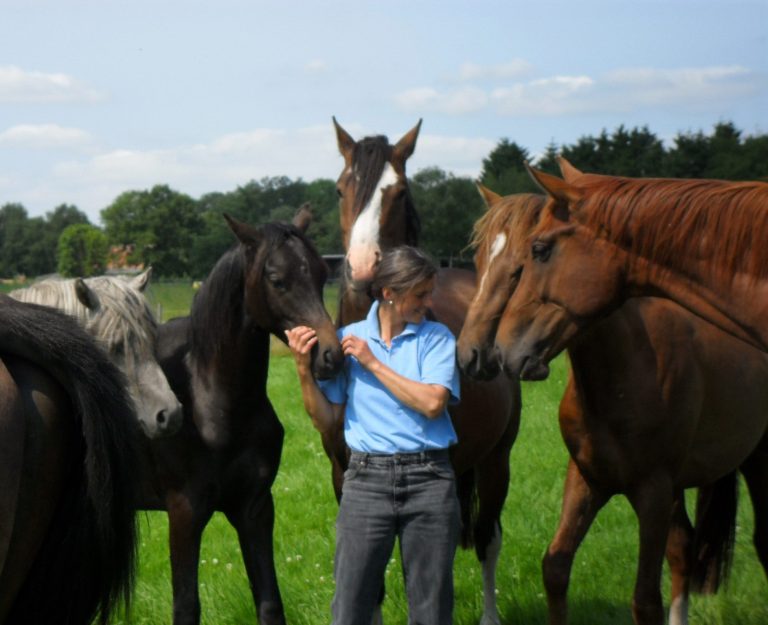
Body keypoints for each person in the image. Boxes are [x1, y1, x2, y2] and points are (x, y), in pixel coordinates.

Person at [286, 245, 461, 625]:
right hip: (366, 483)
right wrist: (303, 368)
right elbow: (326, 420)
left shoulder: (437, 338)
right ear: (389, 293)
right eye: (421, 294)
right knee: (350, 608)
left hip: (430, 481)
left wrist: (373, 363)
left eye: (430, 292)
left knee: (432, 611)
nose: (428, 301)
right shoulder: (348, 338)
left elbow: (433, 403)